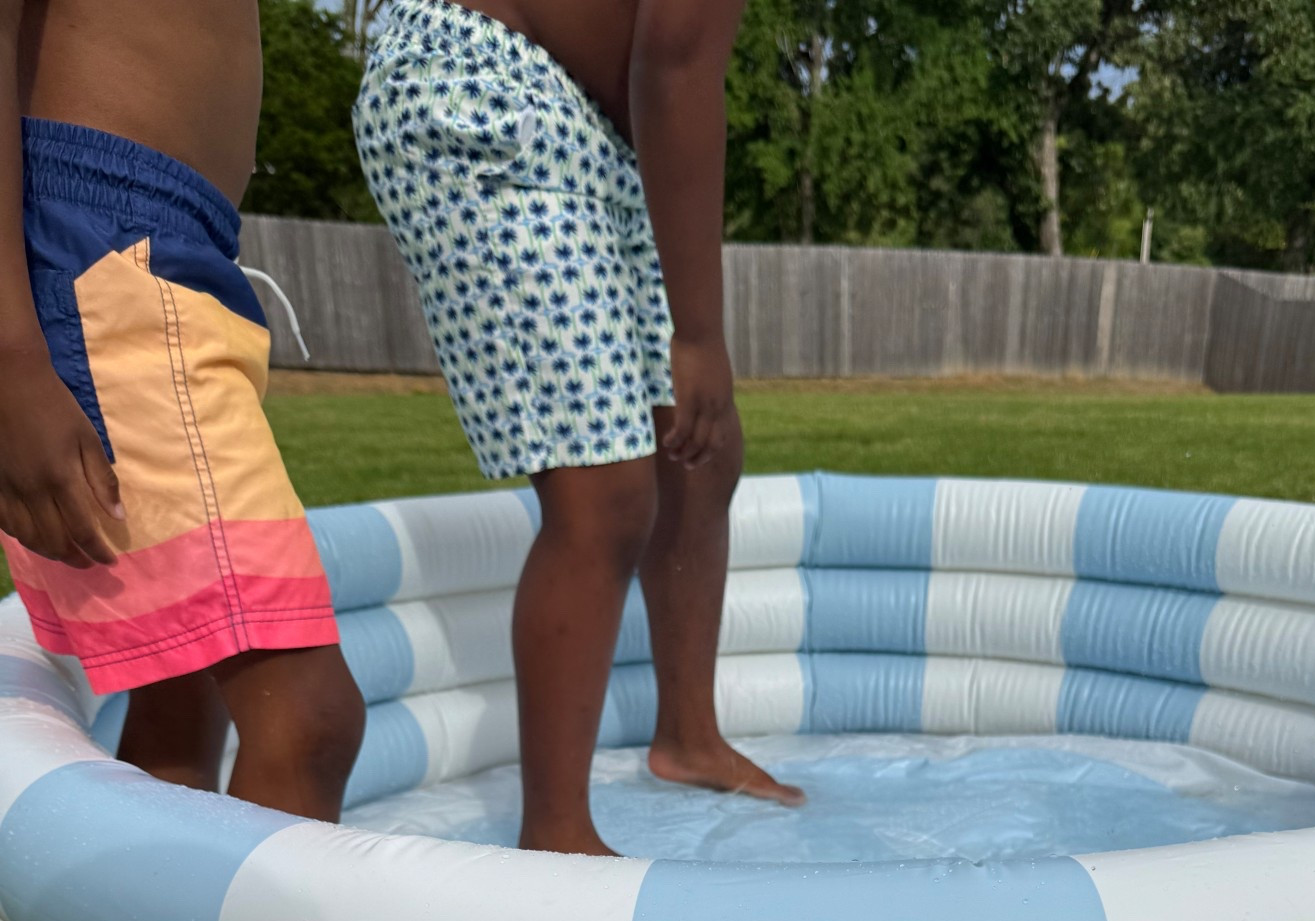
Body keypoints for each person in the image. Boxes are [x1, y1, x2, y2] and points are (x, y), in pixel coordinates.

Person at [354, 0, 804, 856]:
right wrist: (698, 335)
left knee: (700, 451)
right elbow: (675, 62)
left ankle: (688, 739)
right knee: (605, 493)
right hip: (481, 87)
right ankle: (555, 834)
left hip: (597, 125)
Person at [0, 0, 365, 823]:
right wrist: (11, 357)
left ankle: (145, 913)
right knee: (308, 718)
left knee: (180, 704)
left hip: (159, 239)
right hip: (101, 246)